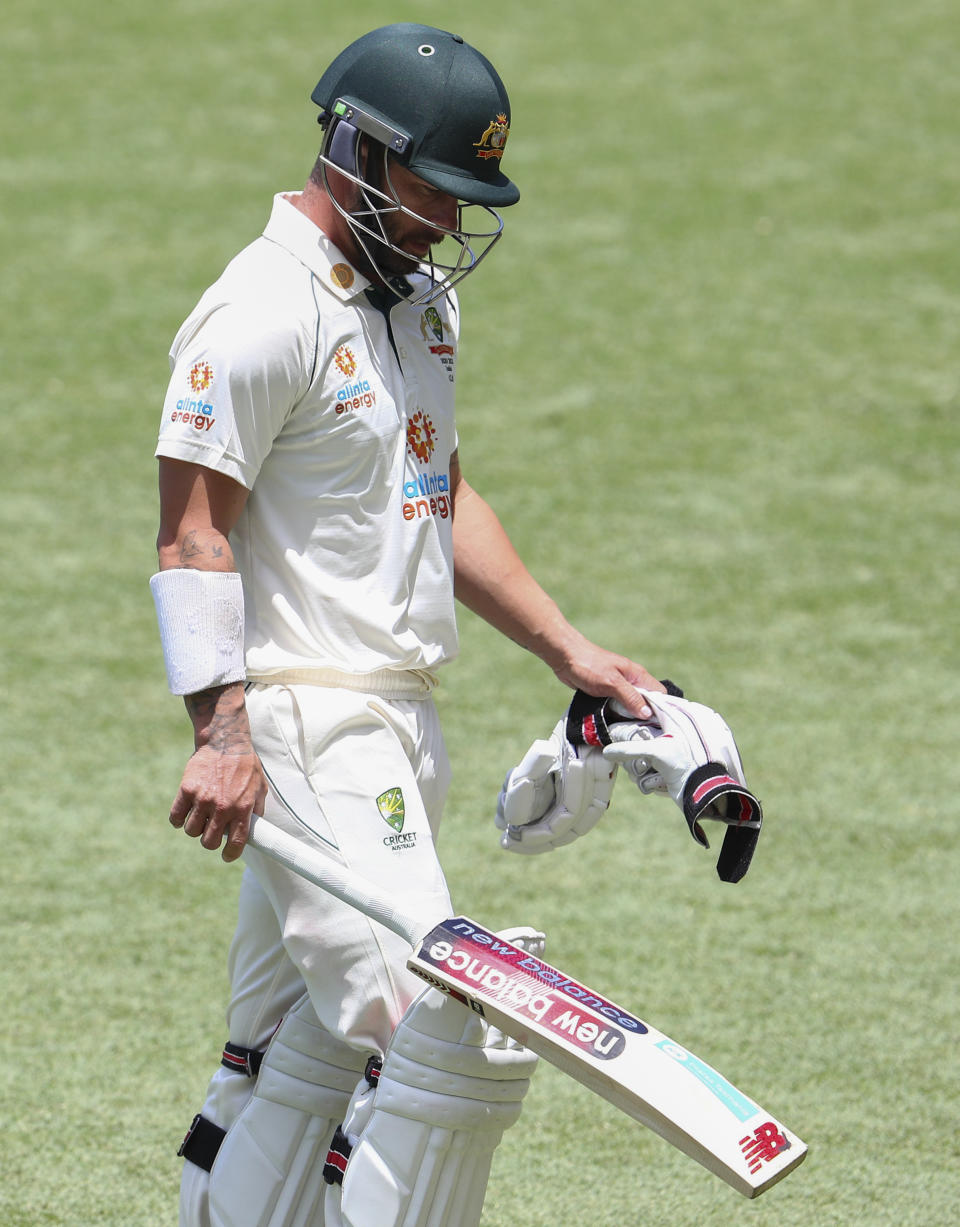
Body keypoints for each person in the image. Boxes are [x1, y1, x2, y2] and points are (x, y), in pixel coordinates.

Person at [151, 23, 665, 1227]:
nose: (449, 218)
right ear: (356, 149)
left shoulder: (417, 299)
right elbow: (191, 536)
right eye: (436, 186)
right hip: (307, 722)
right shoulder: (258, 312)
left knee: (283, 1054)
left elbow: (435, 487)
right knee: (441, 1039)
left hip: (397, 717)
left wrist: (565, 647)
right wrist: (224, 732)